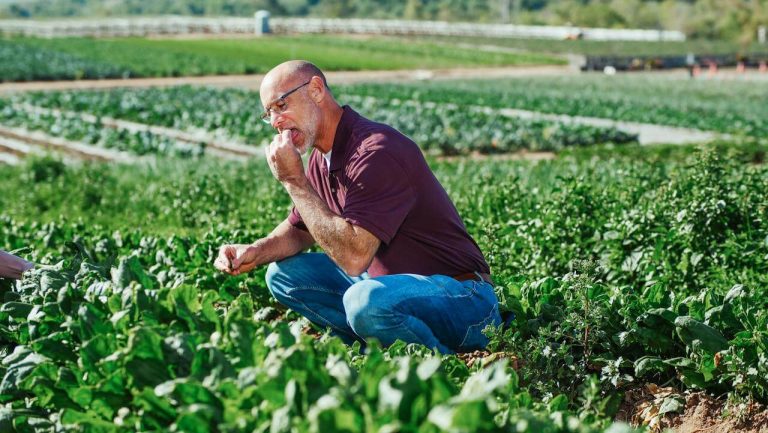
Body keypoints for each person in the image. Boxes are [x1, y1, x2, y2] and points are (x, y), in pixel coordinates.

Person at [214, 60, 501, 354]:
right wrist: (254, 251)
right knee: (283, 275)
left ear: (316, 90)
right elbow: (300, 231)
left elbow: (354, 259)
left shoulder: (375, 152)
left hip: (463, 300)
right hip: (389, 292)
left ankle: (440, 365)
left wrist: (293, 181)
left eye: (281, 105)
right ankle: (372, 350)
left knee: (364, 301)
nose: (276, 121)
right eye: (269, 113)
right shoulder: (320, 160)